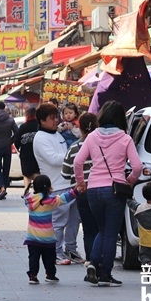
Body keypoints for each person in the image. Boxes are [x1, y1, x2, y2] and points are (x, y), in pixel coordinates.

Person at [73, 100, 141, 287]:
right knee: (110, 233)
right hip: (115, 190)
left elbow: (78, 162)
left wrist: (81, 183)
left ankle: (93, 263)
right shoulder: (125, 138)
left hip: (93, 189)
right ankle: (105, 274)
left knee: (101, 230)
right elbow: (137, 166)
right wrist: (130, 180)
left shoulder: (92, 136)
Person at [33, 103, 81, 265]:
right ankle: (56, 252)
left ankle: (71, 248)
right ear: (41, 121)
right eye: (51, 118)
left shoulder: (58, 134)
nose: (56, 121)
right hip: (56, 186)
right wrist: (74, 156)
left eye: (56, 117)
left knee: (75, 220)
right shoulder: (40, 138)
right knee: (58, 222)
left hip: (70, 183)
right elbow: (53, 159)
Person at [24, 174, 79, 284]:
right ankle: (50, 274)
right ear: (49, 187)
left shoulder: (29, 199)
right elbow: (64, 198)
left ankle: (33, 276)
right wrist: (76, 191)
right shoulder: (50, 201)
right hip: (47, 237)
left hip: (32, 237)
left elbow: (26, 195)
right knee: (49, 257)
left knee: (33, 258)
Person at [62, 112, 98, 261]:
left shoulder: (74, 147)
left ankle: (91, 262)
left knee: (88, 230)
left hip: (82, 192)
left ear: (80, 128)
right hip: (101, 190)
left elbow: (65, 173)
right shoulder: (102, 145)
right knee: (102, 229)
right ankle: (101, 261)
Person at [0, 101, 19, 200]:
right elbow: (17, 132)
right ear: (4, 108)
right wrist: (11, 140)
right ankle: (4, 187)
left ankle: (1, 187)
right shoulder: (10, 120)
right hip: (7, 146)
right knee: (6, 168)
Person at [15, 106, 41, 197]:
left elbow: (17, 140)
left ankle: (26, 189)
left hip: (25, 152)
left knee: (26, 173)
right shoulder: (39, 126)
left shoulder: (23, 127)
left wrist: (18, 148)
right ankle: (39, 189)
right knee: (36, 172)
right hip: (38, 152)